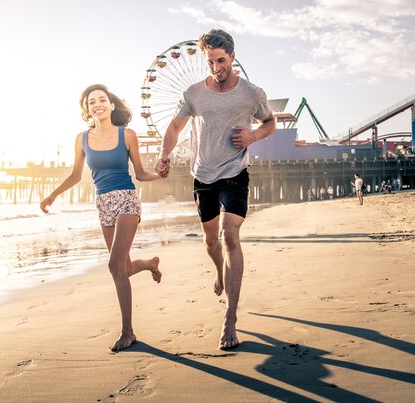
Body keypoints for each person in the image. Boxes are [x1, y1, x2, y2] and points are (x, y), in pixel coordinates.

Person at [155, 29, 275, 350]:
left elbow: (270, 123)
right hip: (203, 176)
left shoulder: (251, 93)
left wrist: (251, 137)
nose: (216, 67)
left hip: (236, 171)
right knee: (211, 242)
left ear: (233, 57)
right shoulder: (194, 93)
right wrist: (165, 155)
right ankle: (219, 272)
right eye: (211, 61)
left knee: (229, 236)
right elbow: (175, 128)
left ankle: (230, 318)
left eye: (221, 60)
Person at [41, 84, 162, 352]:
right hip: (103, 203)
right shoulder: (81, 139)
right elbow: (75, 175)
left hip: (127, 200)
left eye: (102, 99)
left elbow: (141, 174)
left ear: (111, 105)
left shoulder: (127, 135)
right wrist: (52, 195)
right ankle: (151, 263)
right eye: (91, 101)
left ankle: (128, 332)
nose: (97, 104)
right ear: (87, 109)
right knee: (125, 268)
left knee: (114, 265)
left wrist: (159, 174)